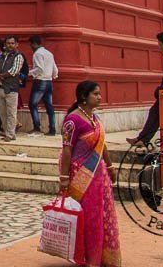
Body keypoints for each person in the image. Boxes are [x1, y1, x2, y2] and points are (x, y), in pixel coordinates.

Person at [59, 81, 122, 267]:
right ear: (83, 97)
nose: (100, 97)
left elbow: (102, 145)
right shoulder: (72, 120)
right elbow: (67, 150)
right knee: (87, 216)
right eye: (95, 94)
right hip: (81, 174)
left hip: (99, 174)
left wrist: (110, 167)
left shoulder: (95, 118)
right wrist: (64, 178)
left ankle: (101, 255)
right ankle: (87, 256)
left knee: (101, 214)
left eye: (99, 93)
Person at [0, 35, 25, 141]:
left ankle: (10, 134)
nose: (10, 45)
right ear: (5, 44)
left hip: (11, 88)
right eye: (8, 43)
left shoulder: (18, 56)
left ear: (16, 44)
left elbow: (14, 71)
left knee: (11, 113)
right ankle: (8, 132)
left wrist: (0, 75)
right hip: (1, 88)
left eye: (12, 43)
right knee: (3, 113)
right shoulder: (1, 56)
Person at [27, 35, 59, 136]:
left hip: (40, 81)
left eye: (31, 45)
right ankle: (52, 129)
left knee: (32, 104)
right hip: (49, 81)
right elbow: (55, 69)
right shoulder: (49, 53)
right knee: (49, 105)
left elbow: (39, 68)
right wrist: (53, 76)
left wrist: (29, 73)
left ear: (34, 44)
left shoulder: (37, 54)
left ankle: (37, 127)